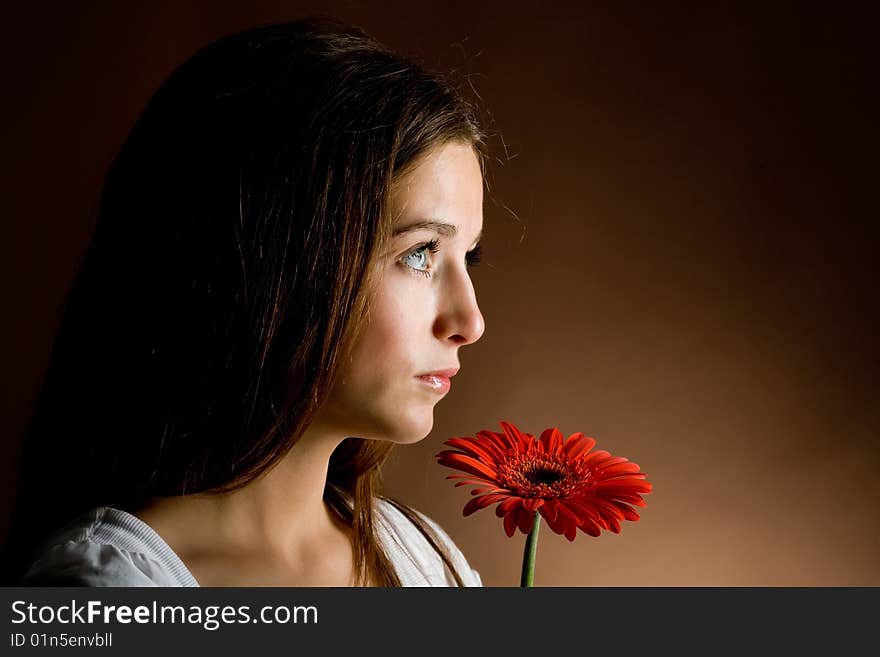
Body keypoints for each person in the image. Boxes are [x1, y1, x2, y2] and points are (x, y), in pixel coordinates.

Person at [4, 16, 488, 587]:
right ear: (277, 260)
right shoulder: (106, 594)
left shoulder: (424, 560)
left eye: (469, 258)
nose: (469, 322)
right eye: (420, 253)